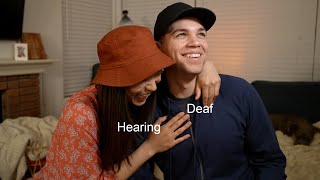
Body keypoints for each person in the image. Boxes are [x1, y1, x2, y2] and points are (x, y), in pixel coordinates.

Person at [33, 26, 193, 179]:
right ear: (116, 83)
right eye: (143, 79)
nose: (153, 87)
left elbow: (185, 75)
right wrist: (150, 147)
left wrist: (207, 69)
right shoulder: (80, 116)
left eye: (157, 73)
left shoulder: (144, 93)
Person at [151, 2, 287, 179]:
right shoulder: (148, 105)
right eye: (181, 34)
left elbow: (271, 161)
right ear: (158, 47)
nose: (196, 43)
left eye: (201, 34)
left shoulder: (240, 92)